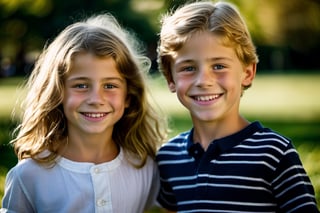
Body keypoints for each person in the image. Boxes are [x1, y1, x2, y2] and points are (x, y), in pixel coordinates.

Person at [155, 1, 319, 212]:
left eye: (219, 66)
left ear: (247, 73)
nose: (204, 80)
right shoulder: (168, 159)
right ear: (170, 78)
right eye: (189, 68)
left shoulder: (274, 153)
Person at [1, 13, 168, 213]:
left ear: (128, 97)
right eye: (81, 85)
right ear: (58, 93)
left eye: (110, 85)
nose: (96, 99)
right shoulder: (28, 176)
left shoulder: (148, 169)